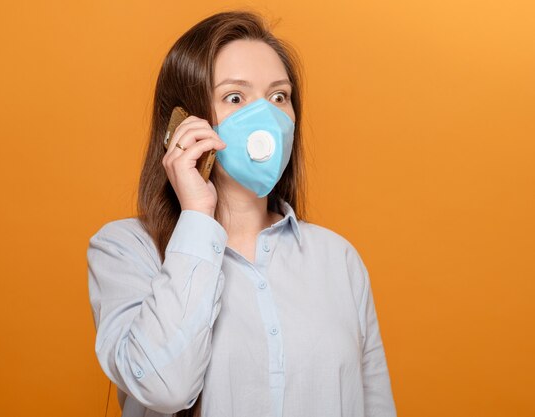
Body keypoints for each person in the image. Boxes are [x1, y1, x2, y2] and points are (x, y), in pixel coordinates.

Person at [87, 10, 397, 417]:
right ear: (183, 122)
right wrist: (197, 215)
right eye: (235, 97)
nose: (265, 116)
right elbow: (164, 388)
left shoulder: (338, 260)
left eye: (278, 97)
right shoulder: (125, 250)